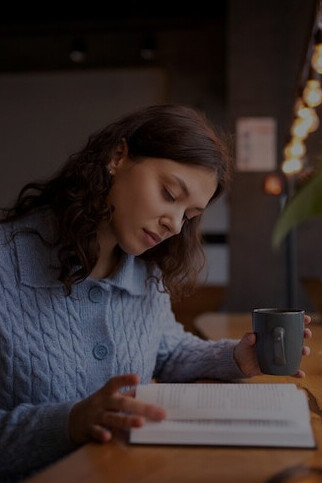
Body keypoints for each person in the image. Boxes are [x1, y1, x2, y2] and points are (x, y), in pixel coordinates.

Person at [0, 104, 311, 481]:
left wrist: (236, 358)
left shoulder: (145, 273)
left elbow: (167, 350)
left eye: (190, 216)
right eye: (169, 194)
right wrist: (69, 422)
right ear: (118, 157)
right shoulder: (8, 266)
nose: (174, 225)